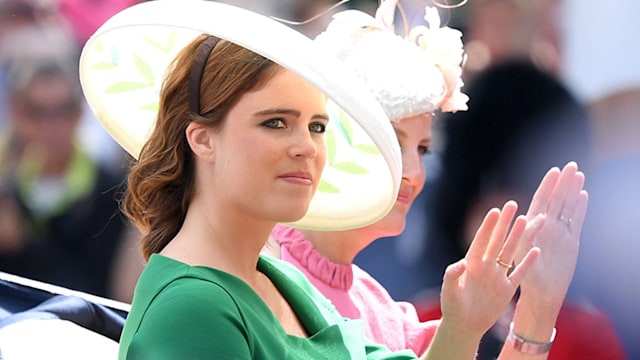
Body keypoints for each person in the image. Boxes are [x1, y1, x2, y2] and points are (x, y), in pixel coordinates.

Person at [265, 1, 589, 359]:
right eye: (391, 139)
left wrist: (538, 308)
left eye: (422, 149)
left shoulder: (386, 311)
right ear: (326, 131)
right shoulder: (257, 265)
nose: (413, 173)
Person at [0, 29, 130, 299]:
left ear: (80, 111)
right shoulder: (7, 179)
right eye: (37, 112)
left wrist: (22, 244)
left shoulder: (109, 190)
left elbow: (94, 293)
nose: (51, 126)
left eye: (63, 110)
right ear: (17, 111)